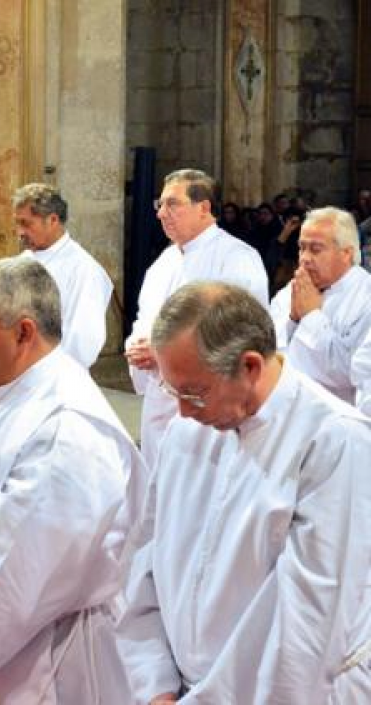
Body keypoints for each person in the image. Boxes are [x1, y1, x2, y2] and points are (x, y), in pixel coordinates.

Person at [119, 281, 371, 703]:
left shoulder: (333, 441)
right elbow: (145, 562)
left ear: (250, 366)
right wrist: (155, 685)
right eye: (173, 390)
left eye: (194, 392)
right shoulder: (186, 432)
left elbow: (308, 627)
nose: (182, 410)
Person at [0, 257, 143, 703]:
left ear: (23, 332)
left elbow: (20, 561)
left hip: (47, 656)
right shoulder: (0, 397)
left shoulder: (64, 425)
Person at [125, 168, 268, 467]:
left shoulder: (236, 257)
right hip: (160, 397)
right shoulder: (164, 261)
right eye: (160, 204)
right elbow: (145, 317)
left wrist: (162, 352)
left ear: (203, 207)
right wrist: (136, 346)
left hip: (207, 401)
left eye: (172, 204)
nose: (161, 213)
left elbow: (241, 335)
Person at [269, 207, 371, 403]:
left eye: (315, 250)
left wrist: (311, 317)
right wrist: (292, 320)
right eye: (301, 248)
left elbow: (350, 372)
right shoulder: (290, 291)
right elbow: (269, 350)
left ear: (346, 253)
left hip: (336, 413)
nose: (304, 258)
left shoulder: (365, 296)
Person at [12, 182, 113, 368]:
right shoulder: (22, 262)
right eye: (17, 223)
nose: (19, 232)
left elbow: (84, 340)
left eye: (26, 224)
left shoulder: (84, 270)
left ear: (52, 220)